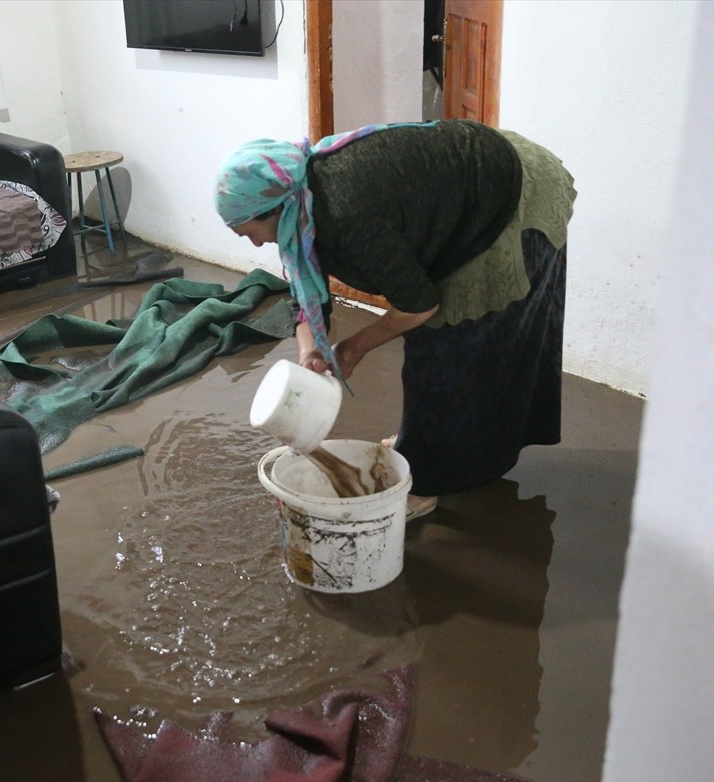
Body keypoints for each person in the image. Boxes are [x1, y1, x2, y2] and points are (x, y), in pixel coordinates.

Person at [215, 119, 576, 519]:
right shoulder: (302, 202)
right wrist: (309, 350)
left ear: (277, 207)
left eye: (251, 232)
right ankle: (425, 447)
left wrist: (354, 347)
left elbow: (418, 306)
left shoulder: (345, 215)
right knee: (441, 349)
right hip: (469, 181)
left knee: (446, 350)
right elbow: (306, 297)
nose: (258, 243)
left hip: (514, 193)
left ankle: (424, 485)